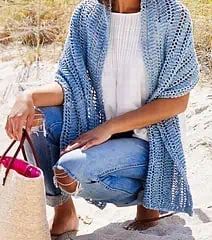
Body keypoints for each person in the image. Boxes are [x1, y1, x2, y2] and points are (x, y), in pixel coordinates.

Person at [5, 0, 199, 238]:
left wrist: (109, 128)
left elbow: (177, 101)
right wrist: (28, 96)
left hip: (148, 140)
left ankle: (149, 203)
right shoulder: (87, 15)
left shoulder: (172, 15)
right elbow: (70, 84)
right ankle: (63, 211)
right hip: (96, 129)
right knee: (36, 118)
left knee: (69, 169)